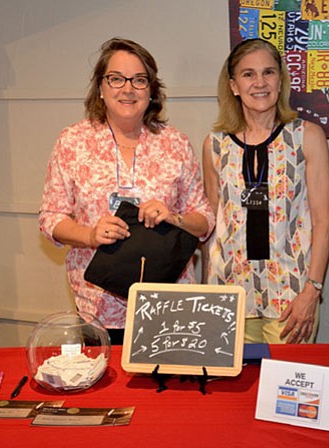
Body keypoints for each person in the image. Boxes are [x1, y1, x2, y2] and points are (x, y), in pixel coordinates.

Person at [39, 38, 214, 343]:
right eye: (116, 78)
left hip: (167, 303)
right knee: (110, 390)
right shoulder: (72, 142)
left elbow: (205, 221)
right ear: (101, 88)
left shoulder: (176, 143)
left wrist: (174, 217)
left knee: (165, 389)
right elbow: (50, 218)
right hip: (97, 305)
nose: (128, 88)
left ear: (152, 90)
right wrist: (89, 235)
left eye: (139, 80)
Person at [203, 38, 329, 344]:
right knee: (236, 390)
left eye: (268, 72)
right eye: (248, 74)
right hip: (230, 296)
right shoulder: (215, 145)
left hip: (290, 296)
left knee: (286, 391)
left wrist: (312, 291)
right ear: (233, 85)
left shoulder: (306, 136)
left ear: (280, 80)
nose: (259, 82)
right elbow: (213, 229)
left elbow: (323, 224)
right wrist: (209, 296)